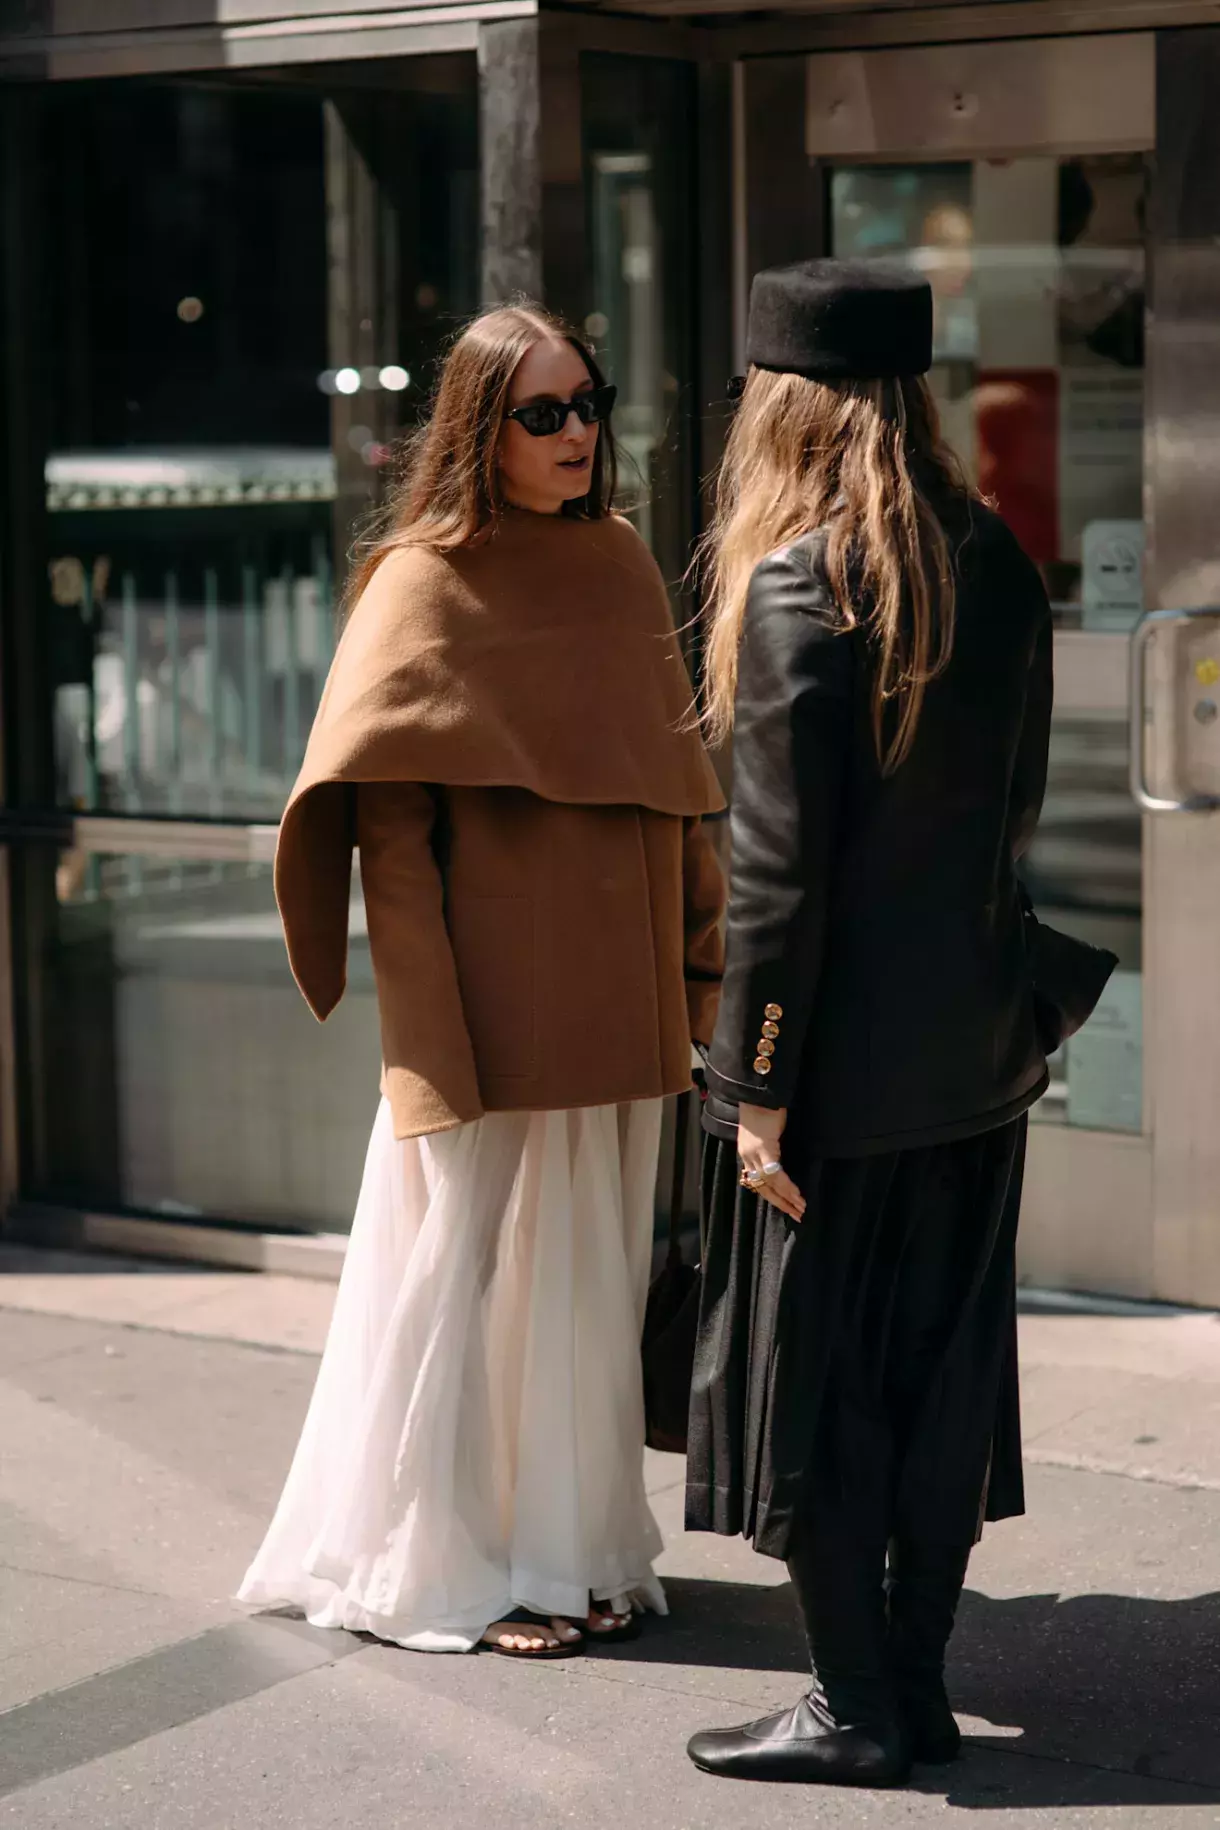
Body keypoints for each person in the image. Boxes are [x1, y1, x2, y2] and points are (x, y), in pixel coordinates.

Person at [238, 303, 725, 1660]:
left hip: (617, 1008)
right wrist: (427, 1046)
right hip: (489, 1018)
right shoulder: (420, 580)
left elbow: (676, 799)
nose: (578, 434)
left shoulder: (620, 563)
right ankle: (440, 1564)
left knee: (585, 1291)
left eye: (590, 404)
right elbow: (391, 849)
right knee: (458, 1287)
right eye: (544, 413)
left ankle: (569, 1553)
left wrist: (699, 977)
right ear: (480, 427)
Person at [683, 259, 1055, 1786]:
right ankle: (915, 1687)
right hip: (978, 1060)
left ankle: (851, 1706)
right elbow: (1014, 818)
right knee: (937, 1378)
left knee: (818, 1387)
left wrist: (753, 1085)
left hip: (834, 1079)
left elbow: (778, 881)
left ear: (786, 404)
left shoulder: (798, 587)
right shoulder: (996, 559)